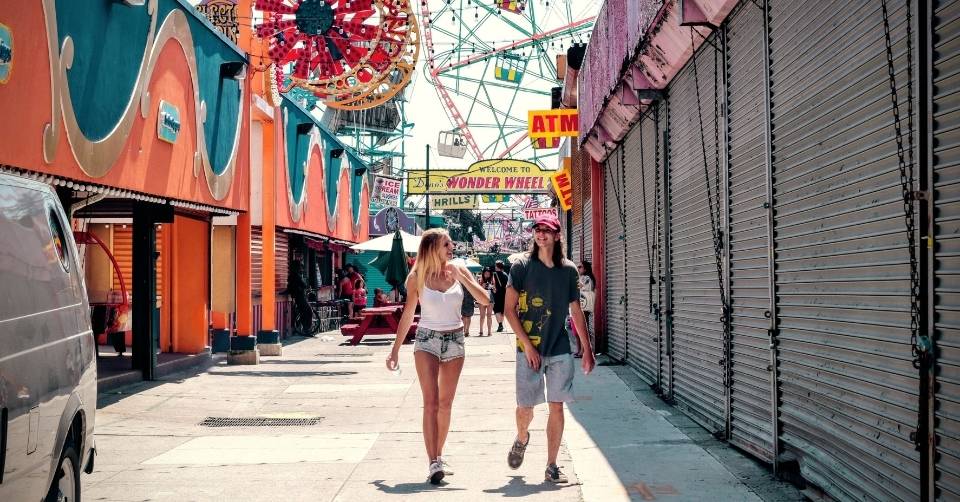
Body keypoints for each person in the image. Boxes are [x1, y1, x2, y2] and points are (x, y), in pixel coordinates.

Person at [385, 229, 491, 484]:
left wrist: (462, 279)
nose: (451, 247)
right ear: (432, 247)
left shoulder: (459, 270)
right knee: (431, 402)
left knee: (445, 404)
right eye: (446, 244)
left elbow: (485, 300)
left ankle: (439, 455)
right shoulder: (416, 277)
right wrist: (395, 349)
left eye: (451, 244)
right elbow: (409, 314)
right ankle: (433, 462)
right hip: (426, 340)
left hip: (455, 340)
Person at [504, 214, 595, 484]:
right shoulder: (521, 266)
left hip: (559, 348)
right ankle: (522, 437)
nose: (541, 234)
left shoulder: (568, 270)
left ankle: (552, 465)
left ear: (557, 235)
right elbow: (509, 310)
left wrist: (587, 349)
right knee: (526, 408)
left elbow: (576, 310)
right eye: (537, 229)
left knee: (557, 406)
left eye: (547, 230)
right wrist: (528, 347)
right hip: (528, 349)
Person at [575, 261, 597, 357]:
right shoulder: (584, 278)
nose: (578, 269)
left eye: (580, 267)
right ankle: (581, 350)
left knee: (583, 328)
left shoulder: (586, 278)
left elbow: (576, 286)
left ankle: (584, 351)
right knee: (582, 327)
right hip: (582, 305)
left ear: (585, 269)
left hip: (584, 305)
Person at [287, 260, 313, 335]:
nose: (301, 269)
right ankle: (306, 330)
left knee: (303, 313)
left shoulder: (292, 275)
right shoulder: (296, 275)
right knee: (307, 312)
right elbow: (304, 285)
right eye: (300, 267)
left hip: (297, 297)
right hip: (300, 297)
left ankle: (304, 329)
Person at [478, 268, 496, 336]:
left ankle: (489, 331)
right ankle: (481, 331)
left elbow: (495, 291)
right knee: (482, 316)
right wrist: (482, 286)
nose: (487, 275)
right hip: (482, 298)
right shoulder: (480, 279)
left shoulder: (492, 280)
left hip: (490, 299)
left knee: (489, 315)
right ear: (483, 273)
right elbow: (477, 289)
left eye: (488, 274)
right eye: (486, 273)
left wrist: (493, 287)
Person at [493, 260, 509, 332]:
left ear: (497, 266)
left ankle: (500, 324)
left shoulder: (494, 275)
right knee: (502, 310)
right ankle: (501, 324)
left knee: (497, 310)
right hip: (504, 295)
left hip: (496, 294)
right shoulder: (505, 275)